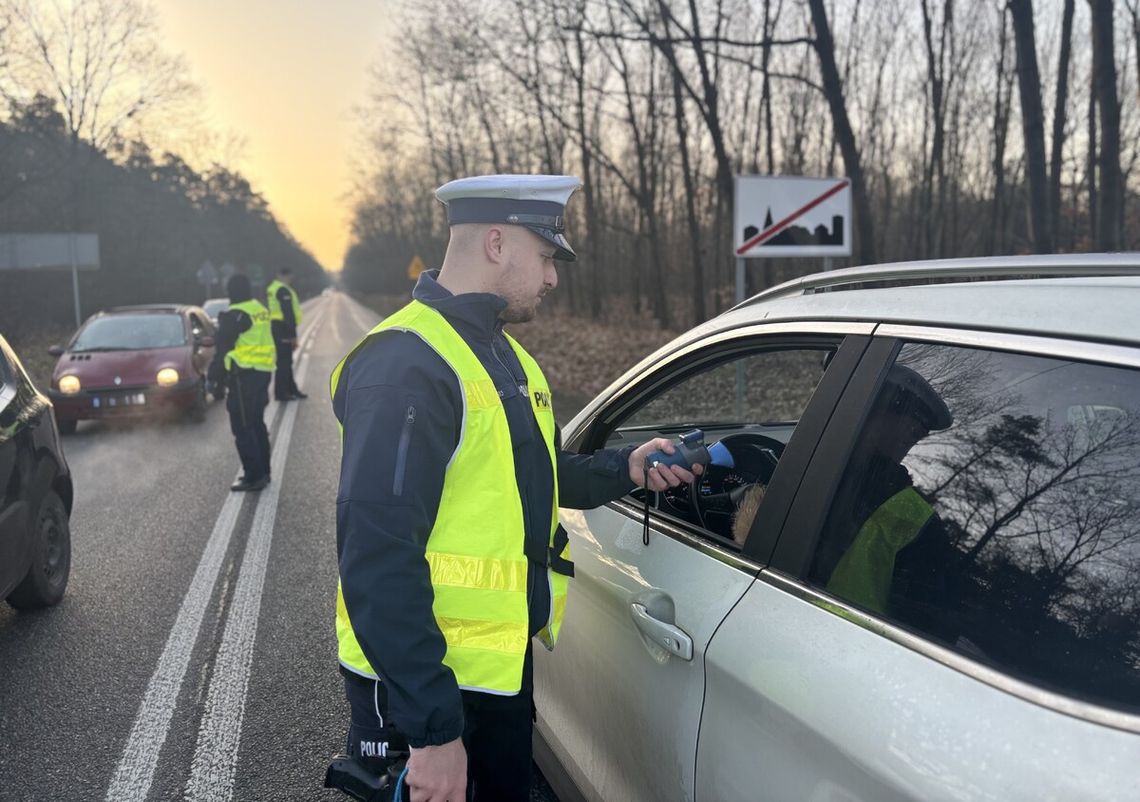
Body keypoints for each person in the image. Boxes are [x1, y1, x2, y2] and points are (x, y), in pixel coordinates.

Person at [331, 174, 701, 802]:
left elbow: (532, 478)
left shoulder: (505, 357)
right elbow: (376, 560)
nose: (553, 278)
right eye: (548, 256)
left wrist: (626, 467)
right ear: (498, 243)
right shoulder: (406, 365)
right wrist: (433, 733)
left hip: (496, 675)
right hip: (426, 688)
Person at [810, 363, 957, 632]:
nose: (916, 438)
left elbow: (929, 629)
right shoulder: (913, 512)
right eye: (913, 432)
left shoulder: (811, 467)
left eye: (915, 435)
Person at [208, 274, 274, 492]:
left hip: (243, 378)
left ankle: (254, 477)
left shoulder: (234, 316)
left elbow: (222, 350)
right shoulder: (259, 309)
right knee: (257, 423)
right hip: (263, 372)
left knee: (243, 427)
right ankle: (265, 471)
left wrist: (212, 378)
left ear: (230, 292)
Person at [267, 266, 307, 401]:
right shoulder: (282, 290)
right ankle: (281, 393)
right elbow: (288, 314)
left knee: (286, 361)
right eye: (289, 277)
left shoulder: (273, 288)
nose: (290, 280)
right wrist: (293, 336)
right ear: (284, 276)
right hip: (283, 328)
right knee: (284, 362)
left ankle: (291, 389)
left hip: (277, 327)